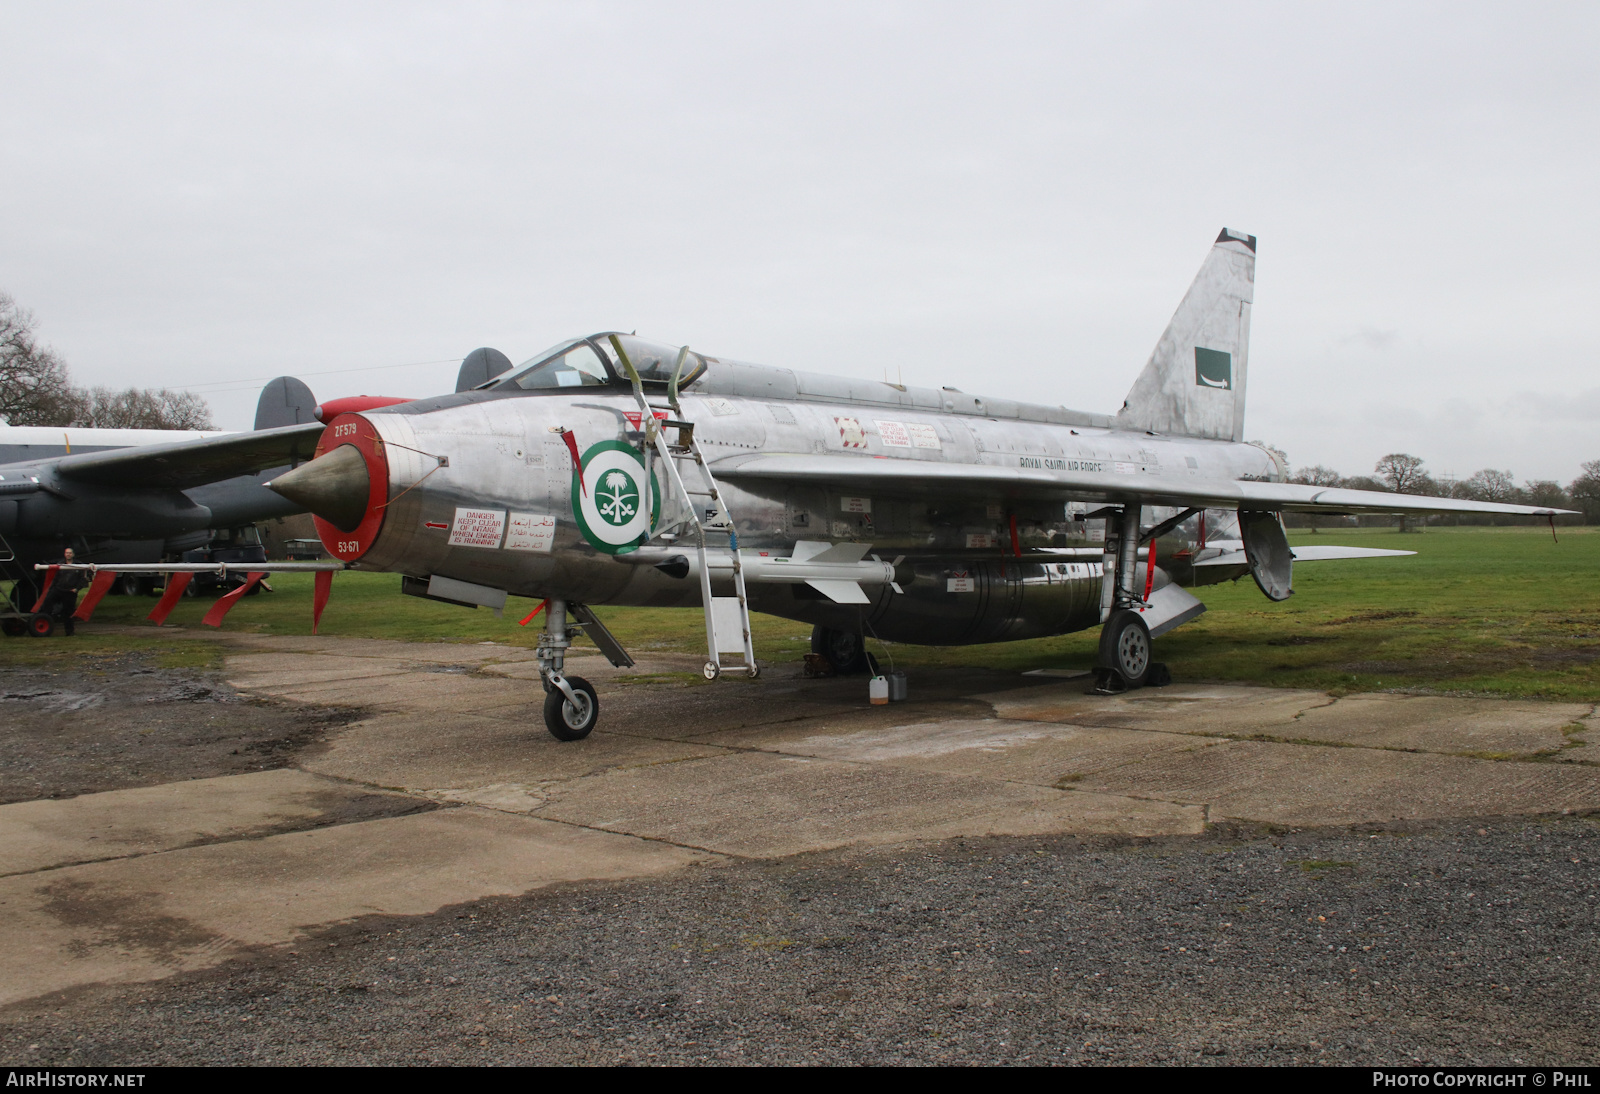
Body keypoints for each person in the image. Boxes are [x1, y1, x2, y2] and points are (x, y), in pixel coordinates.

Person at [42, 546, 87, 636]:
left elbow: (83, 579)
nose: (68, 554)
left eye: (70, 553)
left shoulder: (78, 565)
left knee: (68, 612)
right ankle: (44, 624)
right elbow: (55, 578)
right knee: (46, 603)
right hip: (59, 589)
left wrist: (77, 589)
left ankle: (69, 632)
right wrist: (52, 589)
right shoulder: (60, 564)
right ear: (64, 554)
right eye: (67, 553)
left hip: (70, 592)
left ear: (73, 554)